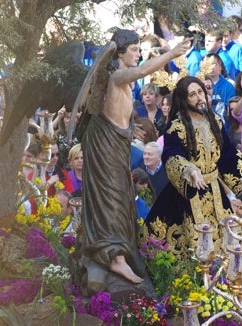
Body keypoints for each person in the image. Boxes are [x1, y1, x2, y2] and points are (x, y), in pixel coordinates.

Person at [76, 29, 191, 293]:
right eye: (135, 50)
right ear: (120, 51)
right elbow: (141, 73)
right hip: (104, 144)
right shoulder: (117, 76)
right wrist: (171, 54)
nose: (138, 54)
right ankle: (114, 257)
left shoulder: (119, 79)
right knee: (112, 196)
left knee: (121, 194)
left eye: (140, 49)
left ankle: (120, 252)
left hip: (114, 142)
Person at [141, 76, 242, 259]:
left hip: (215, 191)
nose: (199, 97)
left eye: (200, 92)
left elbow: (227, 154)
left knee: (227, 243)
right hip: (188, 191)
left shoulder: (215, 121)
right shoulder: (176, 126)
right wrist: (189, 169)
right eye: (192, 95)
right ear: (184, 100)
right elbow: (171, 154)